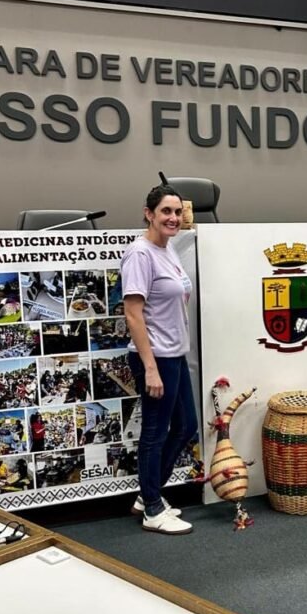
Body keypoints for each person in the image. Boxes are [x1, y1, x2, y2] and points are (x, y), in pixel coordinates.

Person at [121, 184, 197, 535]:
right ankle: (152, 508)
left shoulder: (168, 249)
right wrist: (150, 368)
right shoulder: (140, 254)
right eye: (166, 211)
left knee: (186, 426)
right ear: (148, 213)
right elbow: (133, 314)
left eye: (178, 212)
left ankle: (147, 494)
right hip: (156, 358)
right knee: (154, 432)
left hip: (175, 354)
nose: (173, 218)